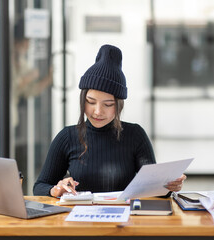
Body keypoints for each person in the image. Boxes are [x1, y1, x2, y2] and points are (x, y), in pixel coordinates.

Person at [33, 44, 186, 197]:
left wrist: (169, 186)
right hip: (79, 219)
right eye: (91, 102)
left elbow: (155, 190)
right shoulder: (67, 137)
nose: (98, 111)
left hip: (124, 218)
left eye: (108, 104)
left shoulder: (135, 135)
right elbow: (40, 186)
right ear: (82, 100)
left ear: (119, 105)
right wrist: (55, 189)